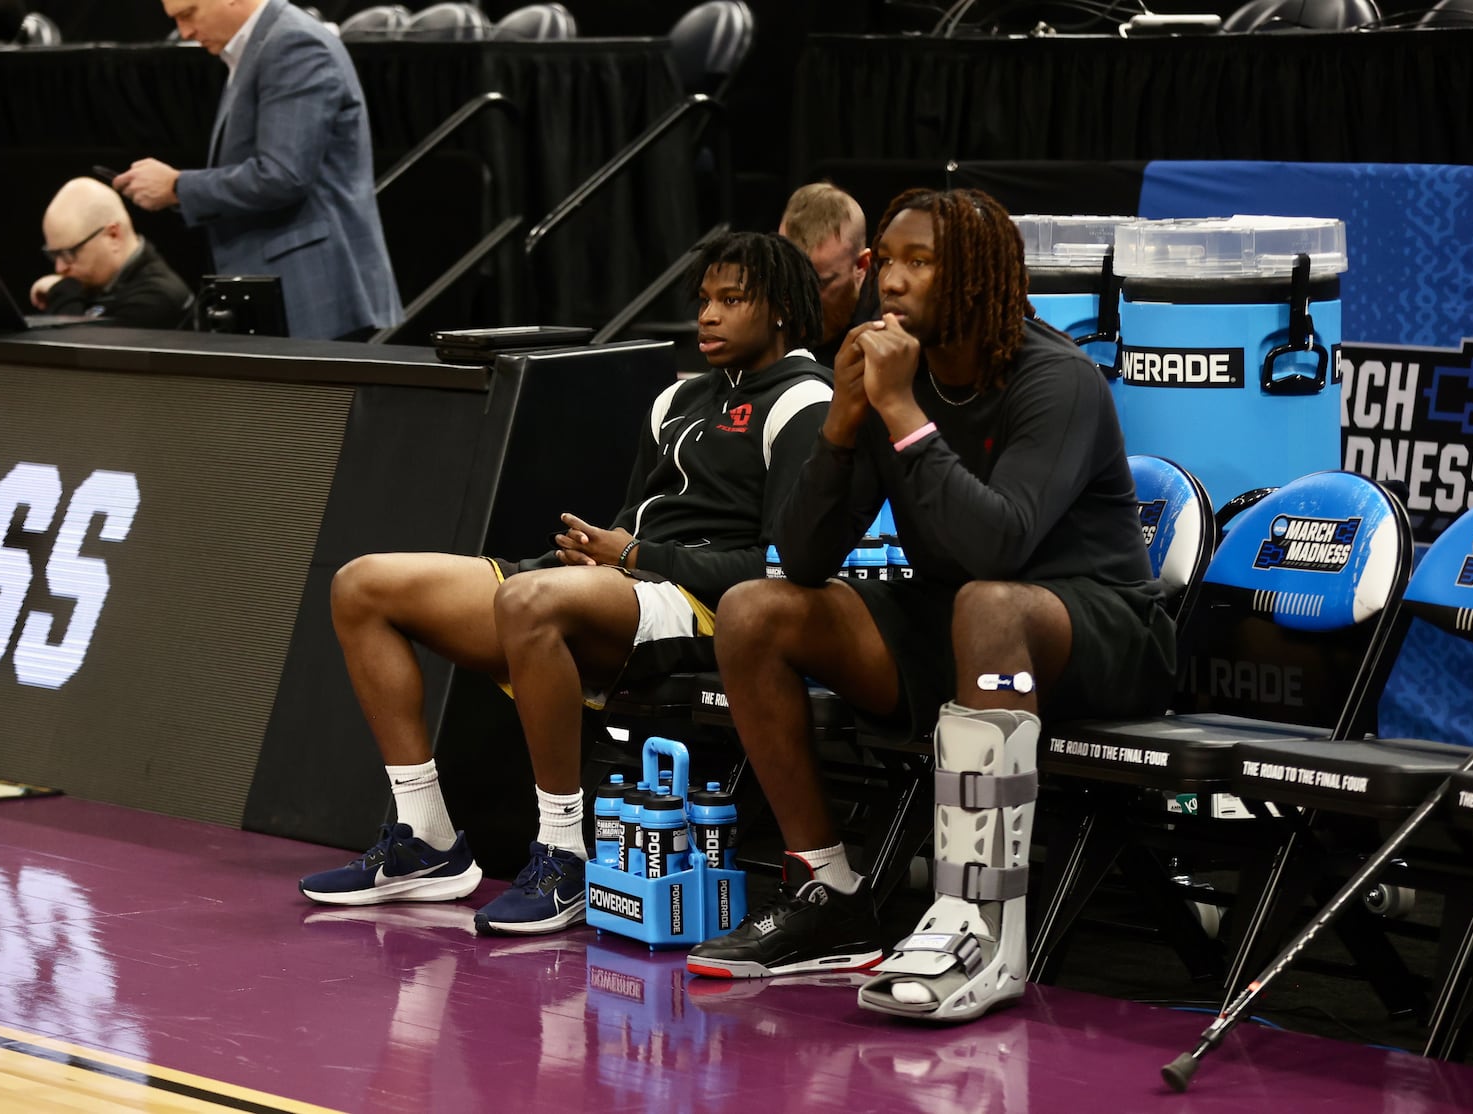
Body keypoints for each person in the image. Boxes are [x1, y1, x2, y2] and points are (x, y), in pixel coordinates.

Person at [685, 189, 1177, 1026]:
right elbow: (803, 559)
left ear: (980, 279)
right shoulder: (882, 372)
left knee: (988, 603)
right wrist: (844, 422)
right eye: (887, 259)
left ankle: (979, 924)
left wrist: (901, 411)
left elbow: (1000, 548)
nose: (893, 282)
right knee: (753, 610)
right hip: (956, 619)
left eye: (922, 262)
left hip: (1098, 630)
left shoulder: (1059, 379)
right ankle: (828, 892)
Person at [297, 232, 834, 936]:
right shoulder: (675, 398)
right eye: (704, 299)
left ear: (784, 309)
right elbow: (632, 520)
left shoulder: (804, 401)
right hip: (625, 584)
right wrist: (598, 554)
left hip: (710, 611)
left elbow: (780, 568)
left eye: (732, 300)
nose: (708, 315)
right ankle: (423, 839)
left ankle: (563, 852)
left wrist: (635, 555)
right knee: (363, 585)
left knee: (529, 599)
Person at [114, 0, 402, 341]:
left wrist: (178, 186)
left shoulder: (292, 43)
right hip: (299, 296)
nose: (185, 32)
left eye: (189, 14)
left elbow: (282, 175)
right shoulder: (262, 45)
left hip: (319, 297)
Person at [28, 177, 195, 329]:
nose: (60, 268)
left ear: (113, 235)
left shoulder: (156, 298)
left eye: (69, 254)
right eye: (55, 255)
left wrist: (62, 293)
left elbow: (80, 355)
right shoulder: (94, 284)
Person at [778, 181, 878, 365]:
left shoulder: (893, 328)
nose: (799, 301)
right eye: (789, 281)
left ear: (862, 266)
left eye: (819, 284)